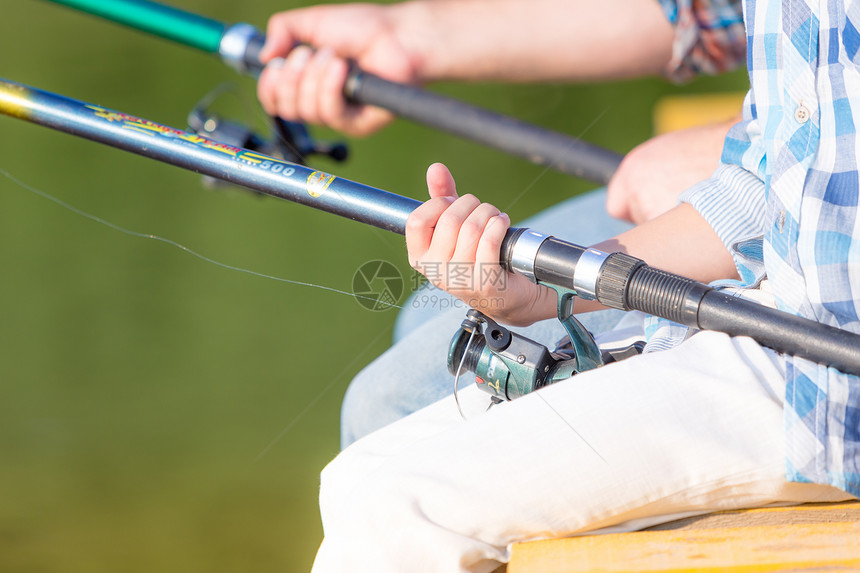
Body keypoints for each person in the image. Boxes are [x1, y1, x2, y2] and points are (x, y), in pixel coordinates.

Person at [254, 0, 860, 570]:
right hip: (772, 310)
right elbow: (760, 191)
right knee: (357, 477)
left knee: (394, 506)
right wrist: (541, 293)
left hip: (829, 382)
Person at [257, 0, 752, 447]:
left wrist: (728, 151)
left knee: (386, 405)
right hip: (749, 162)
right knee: (422, 314)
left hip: (785, 203)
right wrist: (404, 34)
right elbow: (701, 12)